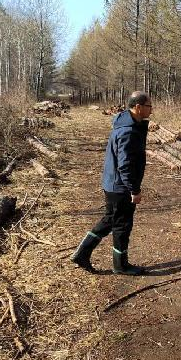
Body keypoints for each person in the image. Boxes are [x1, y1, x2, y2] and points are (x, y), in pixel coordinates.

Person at [70, 91, 153, 275]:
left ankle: (82, 253)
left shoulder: (127, 122)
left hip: (113, 183)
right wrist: (134, 189)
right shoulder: (128, 131)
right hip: (120, 186)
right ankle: (120, 265)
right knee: (122, 224)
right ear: (138, 107)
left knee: (111, 220)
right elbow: (125, 165)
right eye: (149, 106)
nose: (151, 110)